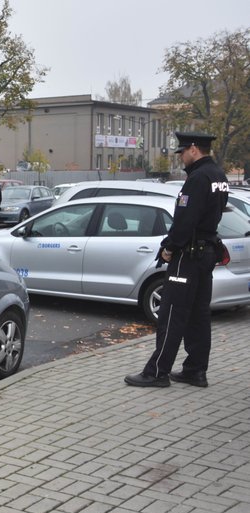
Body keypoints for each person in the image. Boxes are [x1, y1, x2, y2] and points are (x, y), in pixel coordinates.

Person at [125, 132, 229, 388]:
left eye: (182, 152)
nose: (181, 158)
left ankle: (157, 372)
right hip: (206, 253)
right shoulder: (219, 175)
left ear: (194, 149)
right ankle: (195, 370)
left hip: (188, 255)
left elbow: (185, 220)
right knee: (199, 314)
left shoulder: (197, 178)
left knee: (172, 313)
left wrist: (169, 248)